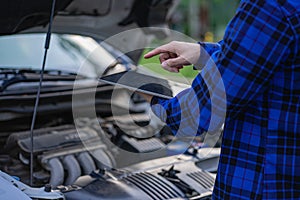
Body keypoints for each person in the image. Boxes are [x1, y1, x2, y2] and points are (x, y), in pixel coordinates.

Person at [142, 0, 300, 199]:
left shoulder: (270, 5)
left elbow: (197, 114)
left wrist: (154, 95)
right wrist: (203, 53)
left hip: (266, 187)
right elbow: (273, 53)